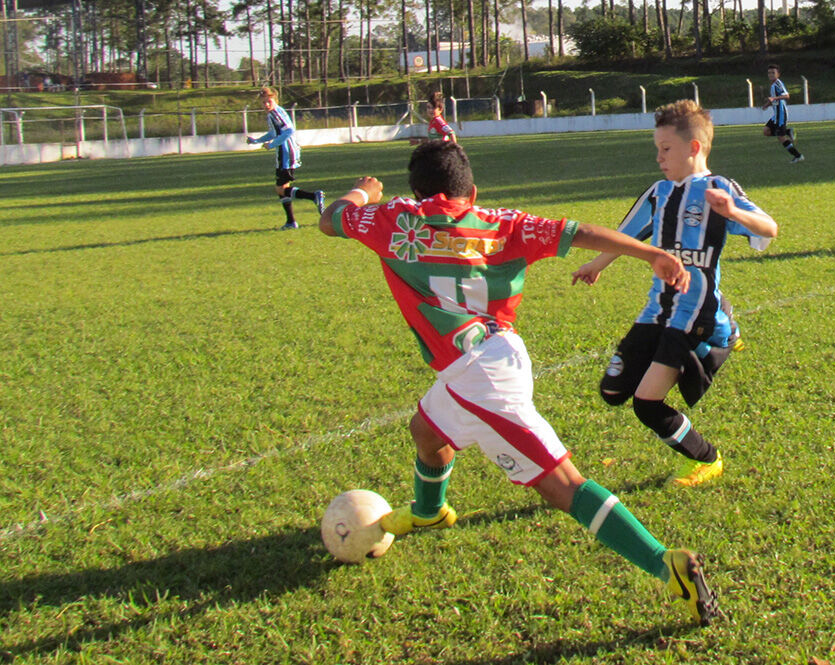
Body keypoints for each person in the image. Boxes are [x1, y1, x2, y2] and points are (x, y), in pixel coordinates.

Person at [318, 141, 718, 627]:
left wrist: (361, 192)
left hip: (483, 378)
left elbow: (331, 218)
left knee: (562, 485)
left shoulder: (393, 220)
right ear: (473, 190)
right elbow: (581, 231)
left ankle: (664, 563)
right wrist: (651, 252)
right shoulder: (502, 223)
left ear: (418, 191)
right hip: (487, 360)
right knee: (425, 431)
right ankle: (430, 510)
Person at [572, 100, 778, 487]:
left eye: (665, 149)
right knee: (613, 391)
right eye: (658, 149)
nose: (659, 158)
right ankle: (728, 325)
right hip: (655, 311)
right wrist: (596, 265)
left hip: (692, 317)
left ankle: (705, 458)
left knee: (647, 404)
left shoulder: (720, 190)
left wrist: (734, 212)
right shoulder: (659, 192)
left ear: (693, 148)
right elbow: (627, 235)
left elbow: (769, 229)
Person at [246, 86, 325, 229]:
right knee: (282, 189)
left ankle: (314, 196)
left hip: (286, 153)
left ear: (275, 99)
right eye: (263, 102)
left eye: (269, 101)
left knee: (281, 189)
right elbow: (273, 132)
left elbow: (289, 131)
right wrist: (257, 141)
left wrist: (272, 145)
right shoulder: (273, 113)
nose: (266, 105)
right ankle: (290, 222)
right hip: (284, 153)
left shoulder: (276, 113)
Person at [760, 64, 804, 164]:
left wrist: (774, 99)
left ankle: (798, 156)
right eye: (769, 73)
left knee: (781, 137)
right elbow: (774, 98)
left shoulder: (778, 84)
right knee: (766, 131)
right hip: (776, 115)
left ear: (778, 74)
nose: (770, 75)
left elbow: (786, 95)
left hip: (781, 114)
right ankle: (788, 132)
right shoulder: (773, 85)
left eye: (773, 73)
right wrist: (767, 104)